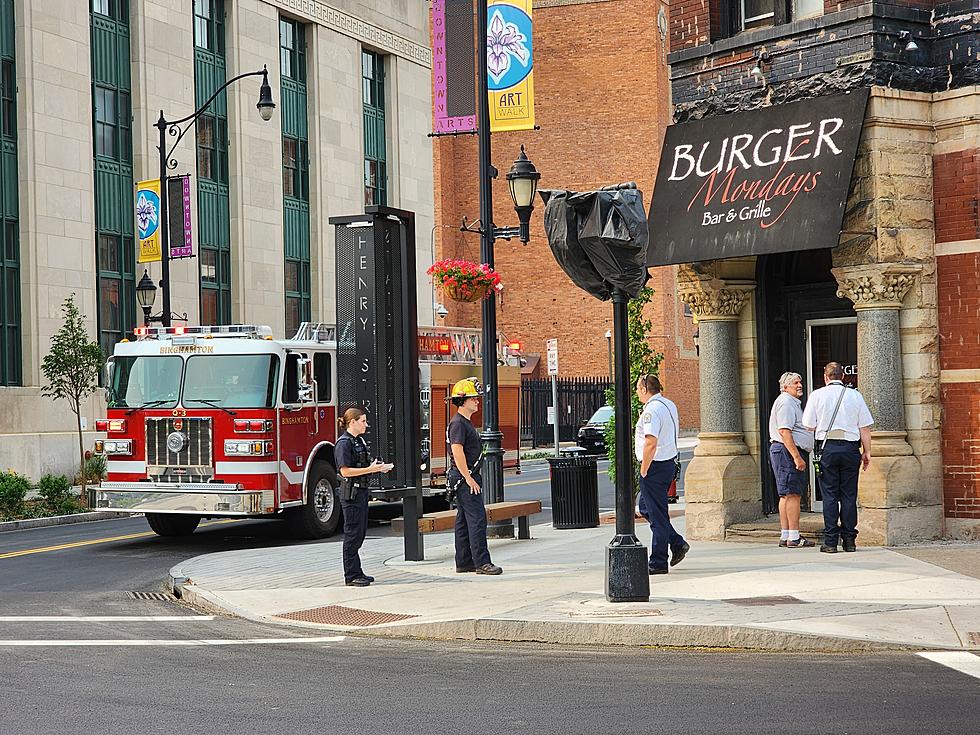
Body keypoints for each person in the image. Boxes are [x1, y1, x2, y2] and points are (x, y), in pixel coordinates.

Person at [801, 362, 874, 553]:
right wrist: (867, 452)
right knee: (849, 495)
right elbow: (864, 428)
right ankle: (849, 541)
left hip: (827, 448)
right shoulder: (855, 395)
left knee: (830, 495)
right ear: (842, 377)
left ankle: (831, 542)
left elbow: (808, 424)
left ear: (826, 377)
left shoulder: (817, 395)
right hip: (851, 448)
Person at [635, 374, 689, 575]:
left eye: (637, 389)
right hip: (667, 463)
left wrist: (644, 469)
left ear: (644, 389)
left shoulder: (651, 410)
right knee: (646, 507)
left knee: (657, 514)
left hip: (655, 466)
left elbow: (651, 441)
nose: (637, 393)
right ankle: (676, 542)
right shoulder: (668, 404)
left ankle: (658, 561)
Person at [447, 377, 502, 575]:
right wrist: (469, 478)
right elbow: (457, 451)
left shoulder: (462, 423)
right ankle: (482, 562)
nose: (477, 401)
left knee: (463, 521)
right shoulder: (459, 424)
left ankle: (464, 562)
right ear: (463, 401)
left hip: (463, 478)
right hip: (465, 478)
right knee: (477, 519)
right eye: (473, 398)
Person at [334, 407, 393, 586]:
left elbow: (362, 466)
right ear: (352, 422)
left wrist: (378, 467)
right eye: (363, 421)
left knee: (359, 533)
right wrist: (370, 469)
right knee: (352, 533)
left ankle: (357, 571)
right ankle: (350, 575)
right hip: (351, 493)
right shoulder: (343, 443)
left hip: (361, 491)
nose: (366, 424)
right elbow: (345, 471)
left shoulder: (358, 440)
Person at [768, 372, 816, 548]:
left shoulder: (789, 402)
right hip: (787, 452)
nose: (799, 385)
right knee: (793, 494)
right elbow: (784, 431)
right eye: (795, 383)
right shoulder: (787, 402)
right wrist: (797, 457)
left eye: (800, 382)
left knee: (786, 495)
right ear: (785, 387)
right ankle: (794, 537)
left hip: (783, 452)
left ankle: (786, 534)